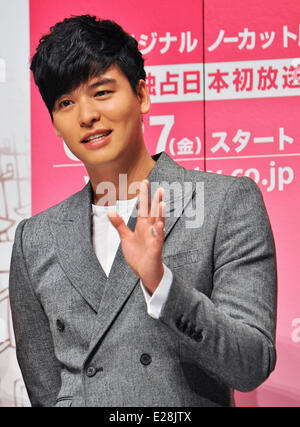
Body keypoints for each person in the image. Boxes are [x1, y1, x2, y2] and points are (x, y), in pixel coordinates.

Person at [9, 15, 277, 407]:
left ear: (142, 95)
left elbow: (251, 363)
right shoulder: (36, 238)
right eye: (66, 102)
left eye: (101, 92)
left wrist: (162, 284)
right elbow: (45, 387)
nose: (86, 116)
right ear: (54, 123)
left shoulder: (224, 202)